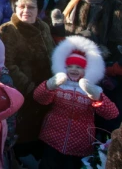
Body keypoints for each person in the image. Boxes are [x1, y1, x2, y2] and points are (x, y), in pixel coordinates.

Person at [34, 36, 118, 168]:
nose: (73, 69)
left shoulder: (92, 89)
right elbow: (39, 98)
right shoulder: (58, 84)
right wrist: (49, 86)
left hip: (80, 142)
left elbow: (112, 113)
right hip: (52, 138)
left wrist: (98, 98)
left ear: (86, 70)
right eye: (70, 66)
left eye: (78, 67)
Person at [0, 0, 55, 157]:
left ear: (38, 10)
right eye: (22, 7)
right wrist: (30, 88)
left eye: (31, 7)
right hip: (23, 94)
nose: (26, 11)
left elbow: (51, 53)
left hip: (47, 90)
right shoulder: (8, 30)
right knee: (24, 136)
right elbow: (8, 64)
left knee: (41, 133)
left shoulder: (43, 27)